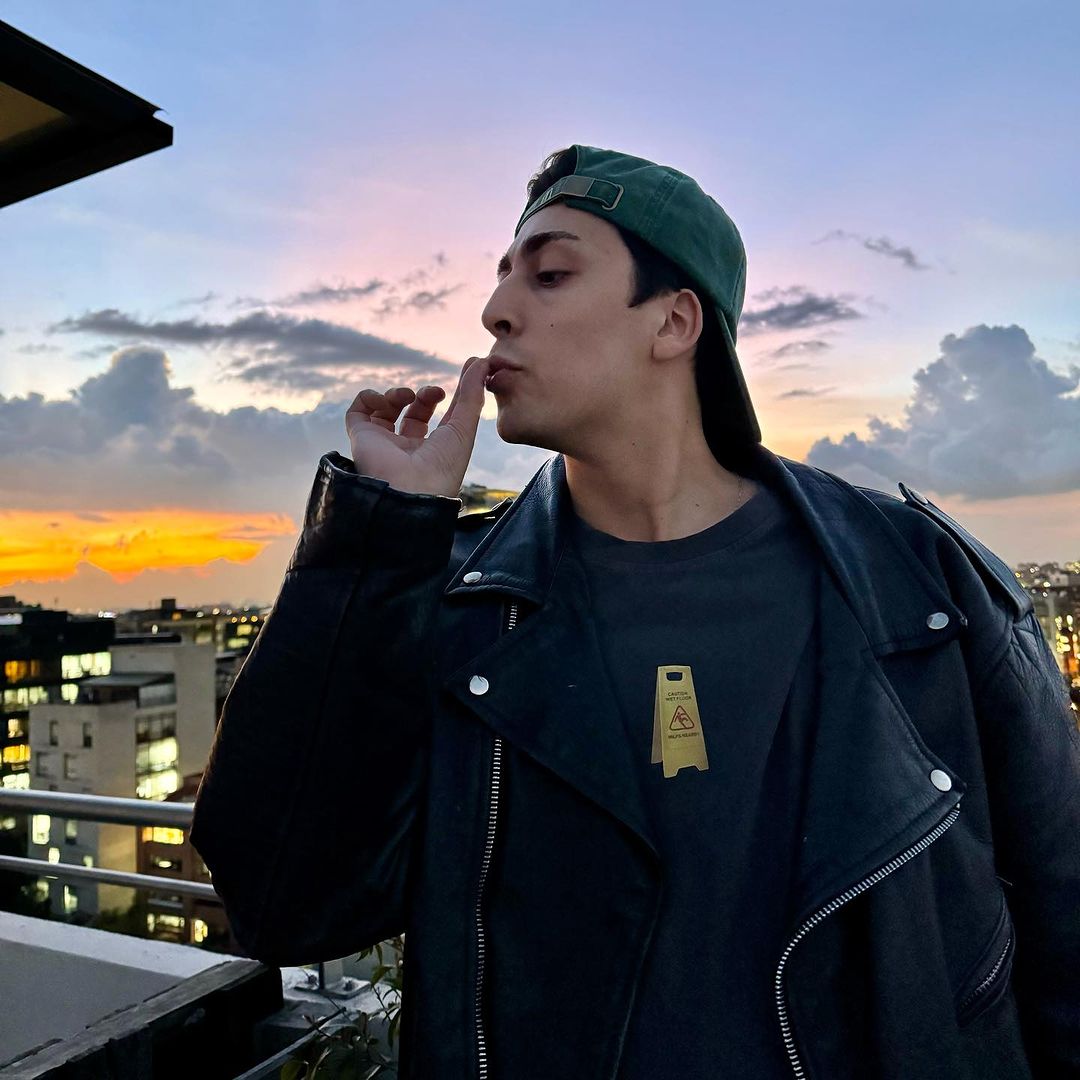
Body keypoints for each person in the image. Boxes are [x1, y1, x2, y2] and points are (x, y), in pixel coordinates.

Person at [190, 145, 1080, 1079]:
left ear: (675, 321)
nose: (495, 310)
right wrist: (381, 537)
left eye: (550, 274)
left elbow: (1061, 915)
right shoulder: (453, 603)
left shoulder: (919, 581)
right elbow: (284, 905)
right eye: (502, 277)